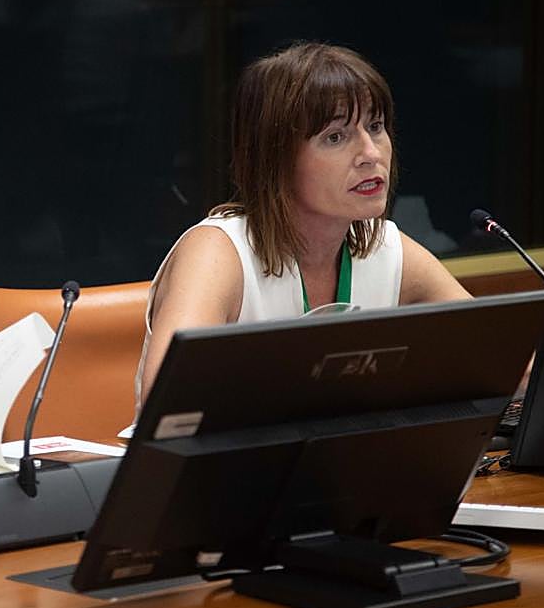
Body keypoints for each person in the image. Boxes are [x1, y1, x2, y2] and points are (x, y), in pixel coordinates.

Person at [137, 42, 469, 403]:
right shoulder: (219, 251)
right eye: (336, 137)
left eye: (375, 126)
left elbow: (502, 357)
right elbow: (169, 396)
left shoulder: (384, 245)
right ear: (275, 159)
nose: (371, 154)